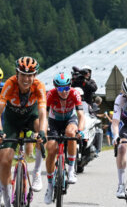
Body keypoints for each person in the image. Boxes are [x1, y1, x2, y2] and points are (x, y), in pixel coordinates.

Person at [0, 57, 47, 206]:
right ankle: (5, 195)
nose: (26, 79)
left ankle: (36, 172)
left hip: (31, 118)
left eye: (30, 75)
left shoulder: (39, 86)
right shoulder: (10, 84)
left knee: (42, 130)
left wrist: (41, 132)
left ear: (34, 76)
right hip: (12, 122)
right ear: (17, 73)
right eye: (23, 74)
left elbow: (43, 113)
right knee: (4, 160)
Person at [44, 72, 85, 203]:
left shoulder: (74, 93)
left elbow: (81, 115)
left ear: (70, 86)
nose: (64, 92)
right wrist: (43, 131)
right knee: (51, 150)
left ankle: (72, 170)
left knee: (71, 134)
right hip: (54, 121)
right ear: (56, 88)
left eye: (66, 88)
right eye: (60, 89)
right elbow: (44, 115)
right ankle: (50, 186)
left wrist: (81, 130)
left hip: (69, 119)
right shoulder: (50, 94)